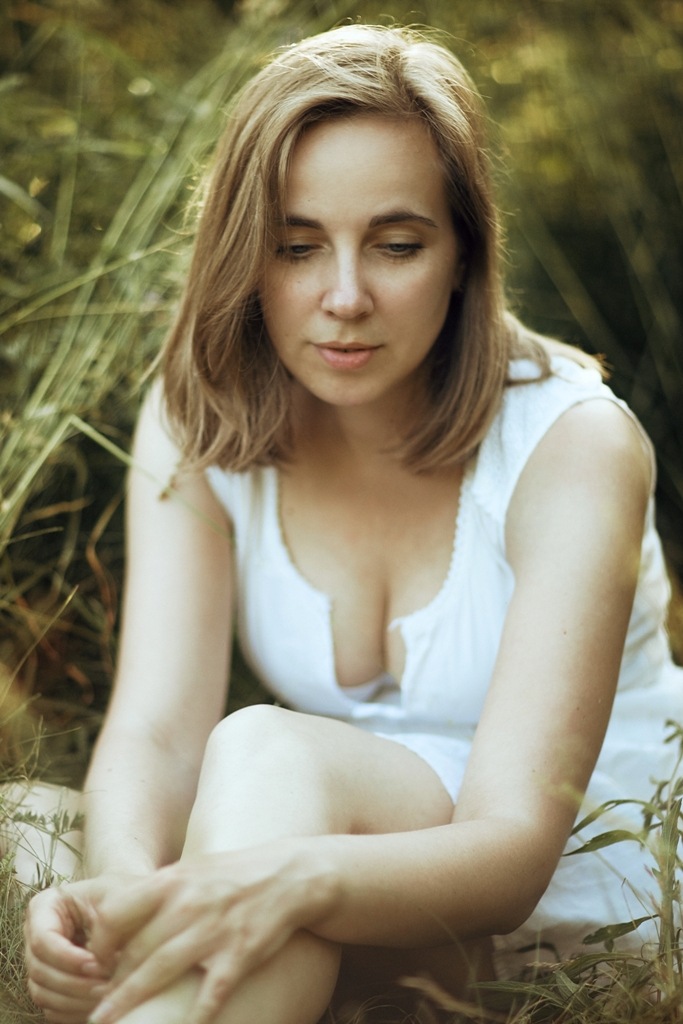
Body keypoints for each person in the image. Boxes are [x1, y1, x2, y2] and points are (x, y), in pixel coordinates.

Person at [16, 21, 683, 1024]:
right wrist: (126, 895)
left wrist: (281, 878)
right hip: (311, 841)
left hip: (551, 911)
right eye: (295, 247)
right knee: (24, 828)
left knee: (266, 753)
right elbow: (156, 730)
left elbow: (510, 853)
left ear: (463, 253)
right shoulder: (201, 416)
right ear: (245, 254)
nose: (343, 297)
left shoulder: (570, 444)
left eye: (396, 245)